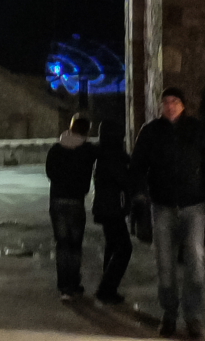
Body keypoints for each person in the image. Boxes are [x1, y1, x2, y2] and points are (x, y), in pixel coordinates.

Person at [132, 88, 205, 339]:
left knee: (195, 264)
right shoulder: (150, 132)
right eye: (166, 102)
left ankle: (193, 317)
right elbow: (137, 166)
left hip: (193, 206)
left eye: (175, 101)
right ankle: (169, 314)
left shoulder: (197, 130)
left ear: (183, 105)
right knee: (165, 265)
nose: (170, 106)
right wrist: (139, 194)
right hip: (163, 207)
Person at [45, 113, 99, 301]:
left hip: (57, 200)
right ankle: (73, 284)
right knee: (75, 245)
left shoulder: (56, 149)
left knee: (62, 244)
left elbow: (50, 173)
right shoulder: (88, 150)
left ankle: (64, 286)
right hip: (76, 201)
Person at [91, 119, 134, 304]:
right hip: (111, 208)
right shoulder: (112, 156)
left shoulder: (104, 153)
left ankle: (108, 288)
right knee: (124, 248)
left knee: (112, 245)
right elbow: (123, 178)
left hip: (106, 206)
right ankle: (106, 287)